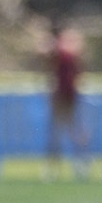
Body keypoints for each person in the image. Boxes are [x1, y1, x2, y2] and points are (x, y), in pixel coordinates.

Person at [41, 22, 89, 180]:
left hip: (69, 96)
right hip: (59, 96)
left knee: (73, 131)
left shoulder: (70, 55)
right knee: (56, 132)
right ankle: (53, 167)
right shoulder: (59, 54)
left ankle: (79, 165)